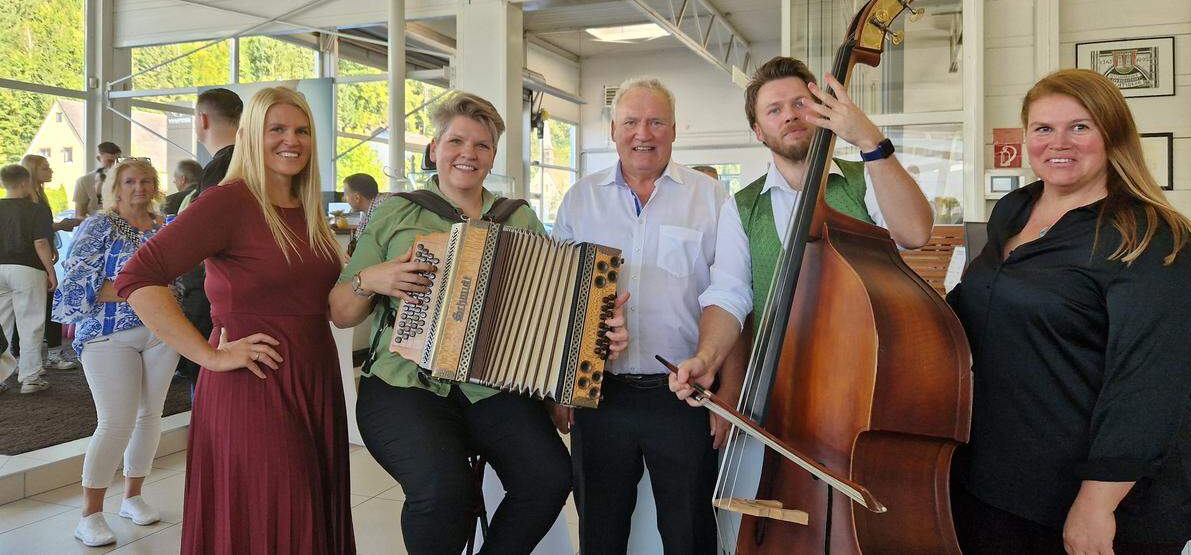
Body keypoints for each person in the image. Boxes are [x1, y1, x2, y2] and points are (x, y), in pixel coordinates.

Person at [329, 92, 628, 555]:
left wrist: (597, 327)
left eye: (482, 145)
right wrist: (374, 278)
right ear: (435, 147)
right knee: (442, 491)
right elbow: (341, 310)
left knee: (549, 478)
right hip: (404, 385)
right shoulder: (396, 211)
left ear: (493, 156)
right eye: (456, 141)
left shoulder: (518, 217)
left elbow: (553, 302)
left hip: (491, 387)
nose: (467, 154)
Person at [946, 69, 1191, 554]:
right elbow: (975, 307)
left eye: (1080, 126)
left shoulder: (1153, 237)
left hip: (1099, 494)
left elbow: (1149, 383)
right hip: (994, 476)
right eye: (1043, 128)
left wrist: (1097, 502)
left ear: (1113, 135)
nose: (1059, 142)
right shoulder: (1014, 210)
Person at [118, 86, 354, 555]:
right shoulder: (230, 202)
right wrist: (208, 354)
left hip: (314, 379)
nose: (293, 140)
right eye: (278, 129)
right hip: (254, 384)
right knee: (276, 516)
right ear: (250, 137)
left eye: (302, 130)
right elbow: (138, 278)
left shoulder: (308, 213)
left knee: (306, 514)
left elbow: (331, 304)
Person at [668, 56, 933, 435]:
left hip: (871, 379)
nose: (789, 115)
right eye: (774, 110)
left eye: (799, 103)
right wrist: (708, 358)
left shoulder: (869, 175)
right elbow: (730, 295)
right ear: (759, 131)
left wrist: (870, 140)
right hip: (779, 383)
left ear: (822, 111)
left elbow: (915, 234)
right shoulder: (741, 206)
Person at [552, 76, 726, 555]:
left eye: (655, 121)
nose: (642, 133)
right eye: (630, 121)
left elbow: (731, 297)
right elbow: (560, 298)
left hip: (685, 396)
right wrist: (564, 384)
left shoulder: (711, 200)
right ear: (613, 131)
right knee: (600, 532)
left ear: (674, 130)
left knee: (690, 533)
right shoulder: (579, 200)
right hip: (599, 395)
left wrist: (724, 393)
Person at [52, 158, 179, 547]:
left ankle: (133, 496)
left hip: (161, 331)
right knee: (115, 422)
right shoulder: (99, 226)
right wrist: (141, 291)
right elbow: (74, 284)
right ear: (115, 187)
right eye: (129, 181)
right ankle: (89, 515)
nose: (139, 187)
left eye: (146, 180)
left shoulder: (168, 226)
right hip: (107, 334)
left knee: (149, 416)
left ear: (156, 186)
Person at [175, 87, 243, 387]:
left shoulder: (221, 167)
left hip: (216, 289)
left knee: (207, 377)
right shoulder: (248, 161)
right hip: (238, 289)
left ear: (202, 119)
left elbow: (207, 234)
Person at [0, 164, 57, 395]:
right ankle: (30, 377)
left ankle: (1, 377)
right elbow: (41, 243)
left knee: (1, 326)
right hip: (28, 269)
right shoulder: (36, 210)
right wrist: (51, 271)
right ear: (25, 183)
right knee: (31, 323)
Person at [21, 153, 80, 371]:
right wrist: (61, 226)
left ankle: (45, 353)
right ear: (34, 171)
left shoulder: (39, 195)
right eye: (45, 167)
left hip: (39, 257)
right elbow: (35, 231)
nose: (51, 170)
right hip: (33, 260)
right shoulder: (29, 199)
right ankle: (47, 354)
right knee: (44, 305)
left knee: (45, 304)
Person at [341, 172, 388, 256]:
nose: (343, 198)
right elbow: (358, 242)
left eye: (345, 194)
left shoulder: (384, 207)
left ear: (357, 197)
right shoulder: (366, 211)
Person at [73, 142, 121, 217]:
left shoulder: (128, 181)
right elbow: (79, 215)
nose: (115, 165)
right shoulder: (84, 182)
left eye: (118, 161)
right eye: (110, 161)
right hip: (95, 225)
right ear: (99, 159)